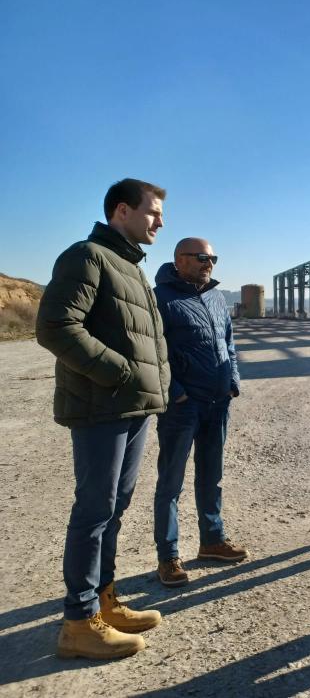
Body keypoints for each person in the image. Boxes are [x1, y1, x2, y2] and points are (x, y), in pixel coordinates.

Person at [36, 178, 170, 659]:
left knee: (113, 508)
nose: (160, 221)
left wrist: (152, 383)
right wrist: (121, 372)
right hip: (102, 407)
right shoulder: (87, 256)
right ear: (121, 211)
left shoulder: (130, 266)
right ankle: (78, 622)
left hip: (131, 406)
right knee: (93, 511)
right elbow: (55, 325)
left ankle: (105, 600)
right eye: (152, 212)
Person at [152, 238, 246, 588]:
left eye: (213, 258)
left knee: (211, 477)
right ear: (180, 260)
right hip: (183, 406)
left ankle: (212, 541)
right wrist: (175, 393)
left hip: (218, 401)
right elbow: (153, 352)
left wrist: (232, 381)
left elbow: (229, 343)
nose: (210, 263)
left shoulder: (217, 297)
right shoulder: (160, 298)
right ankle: (168, 557)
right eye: (202, 257)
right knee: (170, 483)